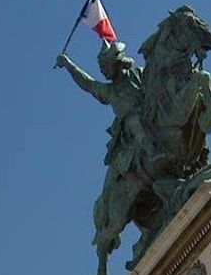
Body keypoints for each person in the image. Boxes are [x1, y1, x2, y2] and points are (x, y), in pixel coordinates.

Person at [56, 42, 160, 177]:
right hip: (130, 127)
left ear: (115, 62)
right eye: (101, 68)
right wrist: (68, 64)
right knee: (134, 121)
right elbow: (88, 83)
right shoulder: (109, 91)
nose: (102, 71)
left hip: (150, 109)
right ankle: (153, 153)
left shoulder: (138, 72)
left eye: (104, 66)